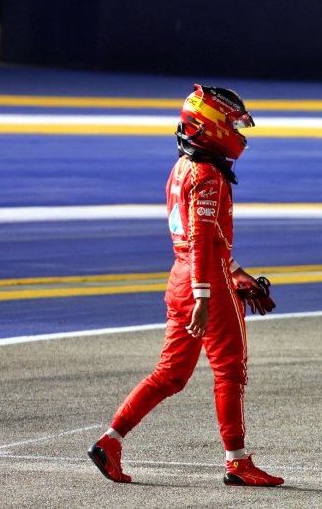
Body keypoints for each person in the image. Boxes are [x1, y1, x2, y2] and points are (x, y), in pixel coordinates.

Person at [88, 85, 283, 487]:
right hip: (203, 281)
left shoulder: (181, 168)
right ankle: (237, 463)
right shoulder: (209, 174)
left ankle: (111, 440)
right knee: (230, 371)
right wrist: (206, 295)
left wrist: (234, 269)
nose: (238, 132)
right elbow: (201, 238)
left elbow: (200, 240)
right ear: (210, 128)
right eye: (231, 124)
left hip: (182, 275)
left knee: (170, 375)